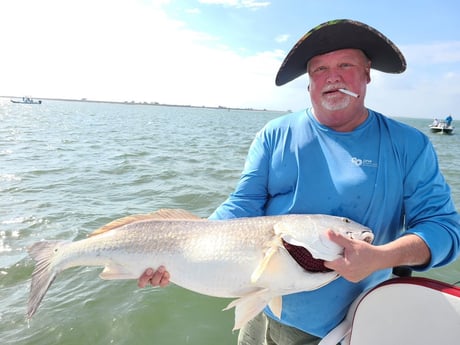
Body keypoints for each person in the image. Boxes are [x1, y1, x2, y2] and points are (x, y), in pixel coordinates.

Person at [138, 19, 460, 344]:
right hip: (261, 306)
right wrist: (188, 248)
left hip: (342, 328)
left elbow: (444, 229)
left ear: (367, 74)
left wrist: (383, 257)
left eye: (345, 65)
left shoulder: (408, 145)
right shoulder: (275, 133)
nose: (332, 76)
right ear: (309, 84)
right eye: (319, 69)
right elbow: (243, 204)